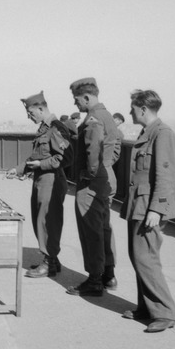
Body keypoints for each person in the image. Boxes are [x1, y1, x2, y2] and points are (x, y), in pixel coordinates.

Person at [120, 89, 175, 332]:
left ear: (143, 109)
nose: (130, 112)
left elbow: (167, 176)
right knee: (138, 256)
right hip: (139, 205)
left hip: (148, 208)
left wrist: (156, 209)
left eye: (132, 108)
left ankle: (164, 313)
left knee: (146, 258)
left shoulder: (162, 134)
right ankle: (146, 307)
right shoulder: (149, 133)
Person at [6, 91, 71, 277]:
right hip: (41, 180)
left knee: (47, 222)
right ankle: (52, 260)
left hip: (51, 181)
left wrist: (41, 165)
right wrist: (19, 169)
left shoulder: (56, 127)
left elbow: (66, 158)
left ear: (41, 109)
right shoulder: (44, 128)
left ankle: (49, 262)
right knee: (40, 220)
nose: (29, 116)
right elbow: (36, 156)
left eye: (31, 112)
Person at [66, 77, 118, 296]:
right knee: (104, 228)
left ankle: (94, 280)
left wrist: (90, 175)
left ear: (86, 97)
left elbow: (92, 153)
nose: (76, 105)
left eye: (77, 100)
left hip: (92, 183)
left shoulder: (93, 119)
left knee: (91, 231)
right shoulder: (108, 117)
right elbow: (114, 150)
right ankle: (108, 274)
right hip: (108, 179)